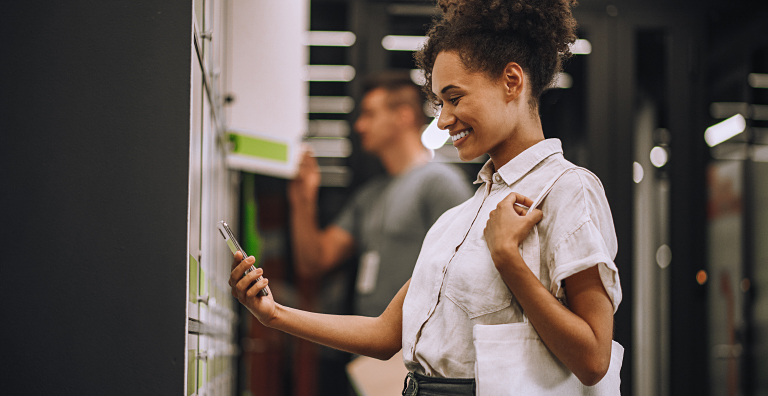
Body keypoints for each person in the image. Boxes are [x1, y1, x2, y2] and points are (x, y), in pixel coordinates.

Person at [230, 0, 622, 394]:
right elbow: (385, 333)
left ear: (512, 81)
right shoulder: (457, 220)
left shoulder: (568, 189)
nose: (443, 119)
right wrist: (275, 315)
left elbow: (592, 360)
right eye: (440, 103)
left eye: (455, 98)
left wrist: (507, 258)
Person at [288, 71, 472, 317]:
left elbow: (467, 272)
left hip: (415, 345)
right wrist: (303, 199)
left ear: (403, 116)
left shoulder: (440, 184)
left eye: (369, 114)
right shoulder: (370, 196)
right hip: (371, 338)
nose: (360, 125)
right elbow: (314, 261)